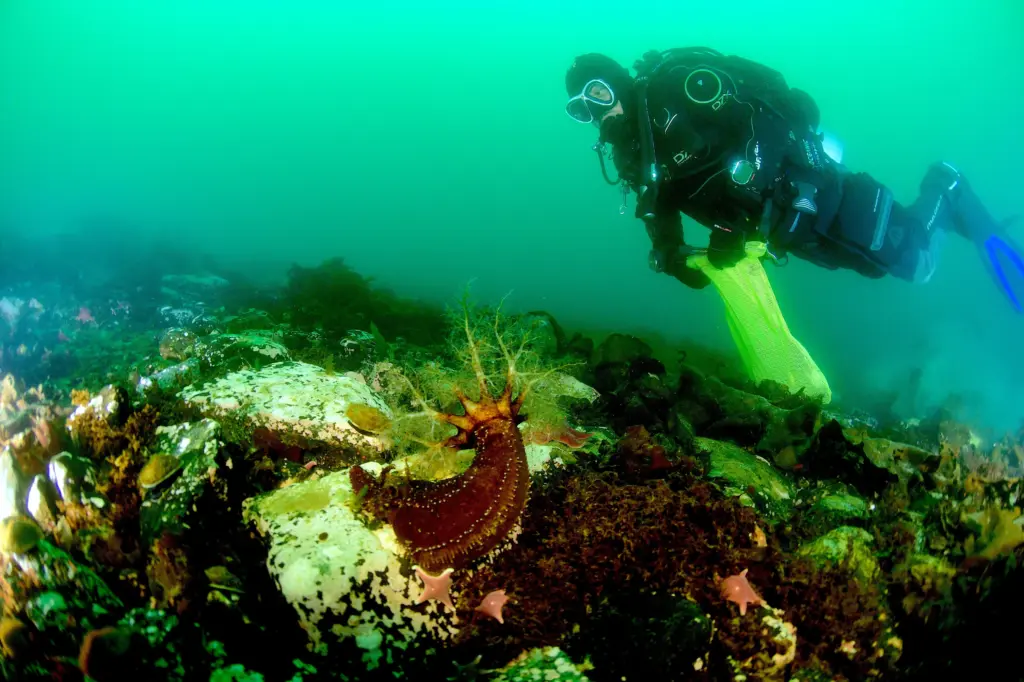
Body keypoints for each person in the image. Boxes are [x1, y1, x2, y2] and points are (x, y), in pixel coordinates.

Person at [563, 47, 1024, 312]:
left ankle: (945, 186)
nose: (598, 111)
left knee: (916, 263)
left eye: (598, 93)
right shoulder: (632, 154)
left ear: (617, 80)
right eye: (583, 109)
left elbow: (764, 123)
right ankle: (944, 214)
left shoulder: (677, 88)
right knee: (874, 266)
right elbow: (657, 206)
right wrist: (670, 253)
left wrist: (741, 203)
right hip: (781, 227)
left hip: (813, 189)